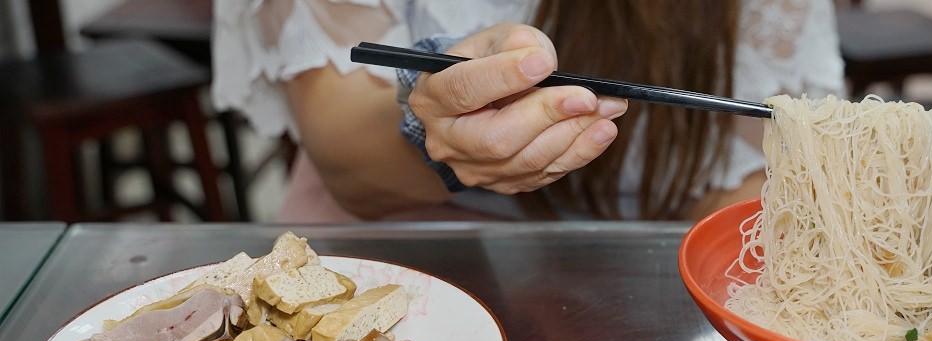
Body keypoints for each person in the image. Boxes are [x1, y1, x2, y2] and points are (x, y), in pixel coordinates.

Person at [212, 0, 844, 222]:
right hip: (394, 234)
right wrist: (434, 124)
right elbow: (341, 148)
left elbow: (752, 162)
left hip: (643, 252)